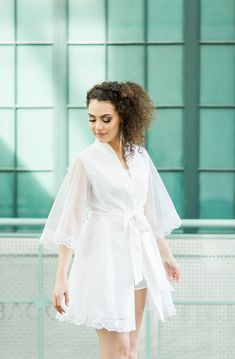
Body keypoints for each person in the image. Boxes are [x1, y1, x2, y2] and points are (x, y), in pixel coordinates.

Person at [39, 81, 182, 359]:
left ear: (123, 117)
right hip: (103, 258)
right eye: (92, 119)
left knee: (131, 348)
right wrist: (61, 277)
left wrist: (166, 256)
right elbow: (70, 221)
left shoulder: (139, 156)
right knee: (116, 350)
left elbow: (147, 212)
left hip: (138, 256)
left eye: (106, 119)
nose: (98, 127)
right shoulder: (86, 161)